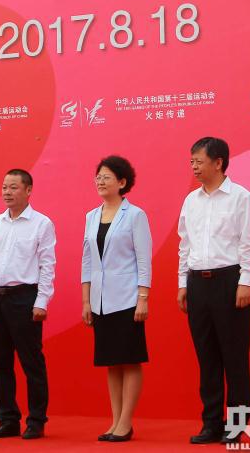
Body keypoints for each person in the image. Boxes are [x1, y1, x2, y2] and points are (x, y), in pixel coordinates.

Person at [177, 137, 250, 445]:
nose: (194, 167)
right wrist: (183, 283)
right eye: (192, 162)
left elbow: (248, 242)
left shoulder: (240, 197)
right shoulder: (191, 201)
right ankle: (210, 423)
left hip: (229, 281)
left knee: (234, 357)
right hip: (198, 282)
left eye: (199, 161)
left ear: (218, 162)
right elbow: (185, 245)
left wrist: (245, 281)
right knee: (207, 357)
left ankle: (237, 424)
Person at [0, 169, 56, 440]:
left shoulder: (41, 223)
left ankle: (36, 420)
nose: (7, 192)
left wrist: (41, 301)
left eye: (13, 187)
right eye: (4, 187)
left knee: (31, 362)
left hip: (24, 298)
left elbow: (47, 265)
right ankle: (8, 419)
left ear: (28, 190)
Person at [81, 156, 151, 443]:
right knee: (111, 362)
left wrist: (143, 297)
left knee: (129, 360)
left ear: (122, 182)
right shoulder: (91, 216)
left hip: (127, 298)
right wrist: (86, 301)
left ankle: (126, 422)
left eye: (106, 177)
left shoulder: (135, 215)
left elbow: (143, 260)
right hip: (100, 300)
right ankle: (115, 421)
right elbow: (87, 261)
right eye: (98, 176)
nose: (100, 181)